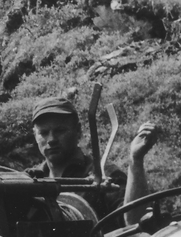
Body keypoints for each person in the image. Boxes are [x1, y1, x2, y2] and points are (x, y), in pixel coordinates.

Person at [26, 96, 159, 224]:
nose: (51, 140)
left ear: (78, 131)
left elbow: (135, 221)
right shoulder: (29, 180)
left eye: (60, 131)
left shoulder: (105, 174)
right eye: (43, 133)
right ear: (35, 135)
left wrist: (135, 160)